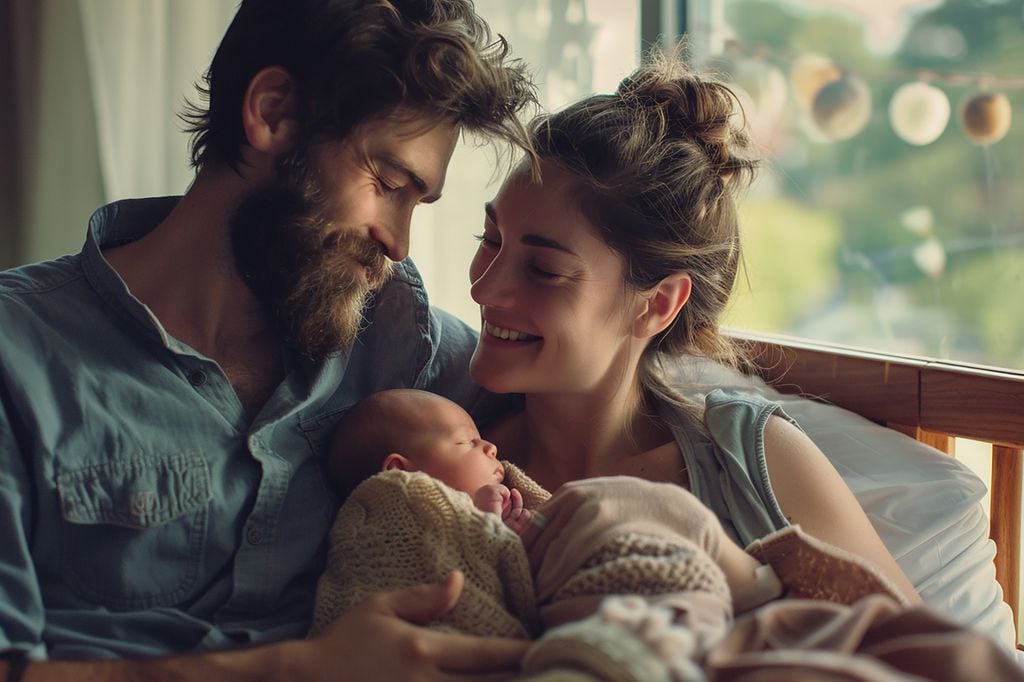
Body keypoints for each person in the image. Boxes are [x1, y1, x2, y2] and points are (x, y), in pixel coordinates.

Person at [0, 0, 538, 679]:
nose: (397, 244)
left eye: (415, 202)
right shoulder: (17, 353)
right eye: (389, 184)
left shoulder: (400, 343)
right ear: (273, 112)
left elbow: (610, 384)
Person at [464, 49, 924, 607]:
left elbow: (919, 651)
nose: (484, 289)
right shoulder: (451, 451)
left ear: (658, 304)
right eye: (490, 240)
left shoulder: (752, 461)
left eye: (544, 269)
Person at [320, 387, 785, 610]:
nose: (490, 448)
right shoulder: (390, 512)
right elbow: (415, 569)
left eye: (545, 269)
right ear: (401, 472)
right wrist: (484, 529)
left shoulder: (742, 440)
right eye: (466, 443)